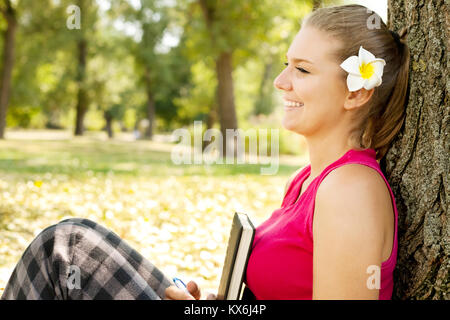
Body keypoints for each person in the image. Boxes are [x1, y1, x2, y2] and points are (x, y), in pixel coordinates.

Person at [1, 4, 409, 300]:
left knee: (68, 247)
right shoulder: (306, 183)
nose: (281, 81)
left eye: (302, 69)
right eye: (286, 64)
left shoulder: (351, 189)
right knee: (68, 248)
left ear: (356, 91)